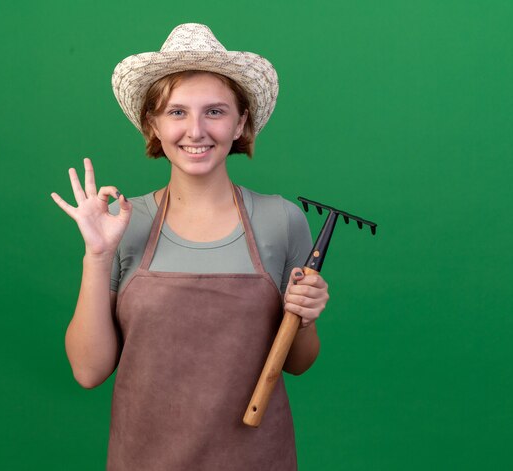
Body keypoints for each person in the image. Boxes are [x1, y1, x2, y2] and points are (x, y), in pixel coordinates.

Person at [51, 23, 329, 471]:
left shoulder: (282, 220)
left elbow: (296, 363)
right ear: (153, 124)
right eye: (176, 112)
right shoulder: (124, 222)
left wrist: (307, 318)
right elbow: (89, 372)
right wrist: (97, 256)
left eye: (214, 112)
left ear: (240, 123)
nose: (195, 130)